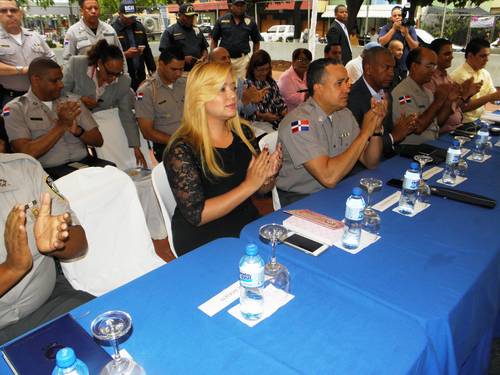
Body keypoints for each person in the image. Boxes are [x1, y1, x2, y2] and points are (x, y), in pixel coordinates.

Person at [164, 62, 281, 255]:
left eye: (233, 88)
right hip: (203, 237)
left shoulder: (242, 133)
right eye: (221, 89)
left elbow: (261, 190)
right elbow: (197, 215)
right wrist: (249, 186)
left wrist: (268, 176)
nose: (233, 95)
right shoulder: (181, 149)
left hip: (244, 222)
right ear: (199, 97)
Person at [0, 152, 94, 345]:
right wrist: (13, 268)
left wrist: (58, 243)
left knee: (113, 333)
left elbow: (80, 243)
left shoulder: (23, 169)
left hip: (52, 301)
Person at [277, 58, 385, 206]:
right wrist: (365, 133)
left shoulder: (344, 113)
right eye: (339, 83)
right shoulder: (299, 124)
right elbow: (328, 178)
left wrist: (376, 130)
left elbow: (370, 162)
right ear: (318, 88)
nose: (348, 88)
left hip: (337, 187)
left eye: (347, 82)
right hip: (301, 198)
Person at [3, 58, 104, 178]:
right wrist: (61, 125)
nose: (61, 85)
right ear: (36, 80)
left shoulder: (73, 101)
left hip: (85, 165)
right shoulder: (16, 109)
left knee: (115, 177)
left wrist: (78, 131)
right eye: (54, 81)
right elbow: (26, 153)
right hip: (47, 173)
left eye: (60, 79)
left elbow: (98, 141)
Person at [62, 39, 146, 167]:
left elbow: (127, 115)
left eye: (118, 73)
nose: (114, 78)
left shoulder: (123, 81)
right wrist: (80, 99)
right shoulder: (76, 64)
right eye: (110, 73)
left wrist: (135, 146)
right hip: (71, 123)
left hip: (97, 129)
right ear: (99, 63)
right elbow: (60, 92)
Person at [0, 0, 56, 149]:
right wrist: (23, 70)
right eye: (3, 11)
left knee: (45, 133)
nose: (9, 14)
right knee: (15, 139)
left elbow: (51, 58)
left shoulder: (35, 36)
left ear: (21, 13)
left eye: (13, 10)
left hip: (40, 97)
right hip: (12, 97)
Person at [348, 46, 416, 158]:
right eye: (386, 68)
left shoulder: (384, 93)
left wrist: (401, 127)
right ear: (368, 69)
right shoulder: (353, 99)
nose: (391, 73)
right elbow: (358, 145)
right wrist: (393, 136)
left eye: (393, 68)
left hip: (389, 156)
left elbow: (385, 130)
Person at [392, 47, 458, 145]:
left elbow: (437, 123)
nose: (433, 71)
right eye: (429, 66)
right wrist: (438, 101)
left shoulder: (427, 92)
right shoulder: (403, 93)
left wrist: (448, 101)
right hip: (411, 150)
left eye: (434, 67)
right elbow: (417, 128)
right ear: (414, 66)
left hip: (430, 144)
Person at [135, 47, 186, 161]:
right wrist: (178, 141)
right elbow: (147, 132)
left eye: (181, 69)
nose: (178, 73)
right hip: (167, 146)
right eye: (173, 69)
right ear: (161, 64)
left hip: (192, 141)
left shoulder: (185, 83)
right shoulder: (145, 92)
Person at [426, 38, 481, 133]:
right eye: (447, 54)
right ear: (434, 56)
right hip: (442, 132)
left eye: (451, 53)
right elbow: (435, 116)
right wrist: (464, 96)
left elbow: (456, 106)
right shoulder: (429, 80)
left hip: (457, 128)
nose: (452, 57)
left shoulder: (446, 76)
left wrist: (466, 94)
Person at [208, 46, 267, 124]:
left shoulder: (239, 81)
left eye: (229, 57)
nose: (228, 60)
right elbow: (221, 114)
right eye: (223, 58)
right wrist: (243, 102)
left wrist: (253, 101)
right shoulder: (207, 84)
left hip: (238, 126)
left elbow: (248, 112)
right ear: (211, 63)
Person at [450, 38, 500, 124]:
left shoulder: (485, 73)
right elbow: (463, 107)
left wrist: (495, 98)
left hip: (481, 120)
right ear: (470, 56)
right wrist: (490, 97)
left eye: (487, 56)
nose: (487, 60)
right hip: (462, 123)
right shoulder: (459, 76)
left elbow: (494, 99)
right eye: (482, 56)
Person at [211, 0, 262, 80]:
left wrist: (253, 60)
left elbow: (256, 42)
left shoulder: (251, 22)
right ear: (231, 6)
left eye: (242, 5)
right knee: (223, 83)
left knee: (241, 87)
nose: (240, 8)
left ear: (245, 6)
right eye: (237, 5)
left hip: (242, 61)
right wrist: (214, 58)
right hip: (224, 60)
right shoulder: (221, 20)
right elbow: (214, 40)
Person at [111, 0, 156, 91]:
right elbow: (109, 56)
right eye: (127, 17)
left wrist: (153, 69)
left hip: (140, 74)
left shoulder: (139, 27)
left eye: (133, 17)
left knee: (141, 98)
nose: (130, 19)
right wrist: (125, 54)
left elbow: (147, 50)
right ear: (120, 14)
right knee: (127, 101)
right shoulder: (112, 30)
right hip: (122, 75)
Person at [63, 0, 124, 66]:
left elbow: (120, 55)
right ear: (81, 11)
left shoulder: (109, 30)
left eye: (96, 8)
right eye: (89, 8)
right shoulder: (72, 32)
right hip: (83, 75)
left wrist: (124, 74)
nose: (93, 11)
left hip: (109, 75)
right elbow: (67, 60)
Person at [242, 50, 287, 129]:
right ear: (252, 69)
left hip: (275, 123)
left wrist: (283, 110)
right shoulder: (246, 86)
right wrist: (262, 117)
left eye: (267, 69)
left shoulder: (271, 82)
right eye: (261, 70)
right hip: (257, 125)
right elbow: (243, 114)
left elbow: (278, 101)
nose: (264, 73)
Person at [159, 3, 208, 72]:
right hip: (179, 72)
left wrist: (204, 57)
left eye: (192, 16)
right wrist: (183, 59)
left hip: (198, 70)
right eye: (187, 16)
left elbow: (204, 48)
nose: (190, 19)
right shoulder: (170, 31)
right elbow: (165, 53)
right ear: (179, 15)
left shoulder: (197, 30)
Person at [378, 6, 418, 71]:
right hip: (387, 65)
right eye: (395, 15)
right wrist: (393, 29)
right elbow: (381, 42)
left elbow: (415, 47)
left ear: (403, 16)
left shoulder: (409, 28)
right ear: (391, 18)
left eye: (399, 15)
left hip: (403, 66)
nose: (397, 17)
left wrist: (406, 34)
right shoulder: (386, 28)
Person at [278, 48, 311, 113]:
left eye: (307, 60)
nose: (304, 63)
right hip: (291, 116)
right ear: (293, 61)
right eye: (300, 60)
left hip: (306, 112)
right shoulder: (285, 78)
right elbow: (292, 99)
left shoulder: (308, 74)